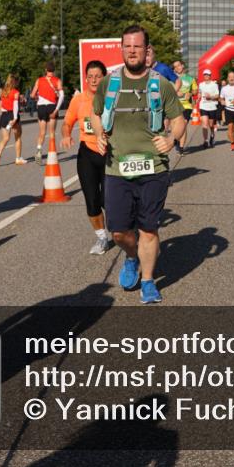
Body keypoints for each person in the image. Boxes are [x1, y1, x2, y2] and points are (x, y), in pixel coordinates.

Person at [92, 27, 186, 304]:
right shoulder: (109, 84)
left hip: (154, 168)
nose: (132, 51)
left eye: (138, 47)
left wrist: (171, 140)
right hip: (116, 169)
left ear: (147, 50)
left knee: (148, 228)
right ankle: (131, 257)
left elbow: (179, 120)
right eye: (127, 46)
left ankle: (147, 282)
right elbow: (96, 114)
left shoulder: (161, 84)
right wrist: (99, 134)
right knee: (119, 232)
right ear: (121, 49)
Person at [61, 60, 110, 255]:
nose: (93, 80)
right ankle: (102, 238)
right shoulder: (78, 100)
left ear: (104, 77)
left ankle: (125, 228)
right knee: (92, 201)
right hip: (87, 154)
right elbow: (67, 123)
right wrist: (66, 134)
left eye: (98, 76)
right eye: (90, 76)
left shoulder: (111, 98)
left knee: (109, 201)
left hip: (109, 154)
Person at [30, 62, 64, 165]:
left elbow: (32, 95)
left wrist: (38, 98)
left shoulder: (39, 80)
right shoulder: (57, 81)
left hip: (41, 107)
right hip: (52, 106)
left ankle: (39, 151)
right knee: (52, 133)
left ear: (46, 70)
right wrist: (56, 109)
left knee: (42, 133)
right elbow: (62, 96)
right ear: (54, 70)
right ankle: (52, 155)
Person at [0, 74, 26, 166]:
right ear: (15, 82)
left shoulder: (3, 91)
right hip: (12, 115)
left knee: (5, 138)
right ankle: (18, 158)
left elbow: (0, 104)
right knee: (18, 137)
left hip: (4, 115)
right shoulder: (16, 92)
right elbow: (15, 107)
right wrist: (15, 118)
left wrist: (2, 114)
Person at [172, 60, 197, 154]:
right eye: (175, 67)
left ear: (182, 66)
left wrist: (190, 93)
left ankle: (181, 148)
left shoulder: (190, 79)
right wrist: (175, 92)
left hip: (186, 105)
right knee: (175, 126)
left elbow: (195, 90)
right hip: (174, 104)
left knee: (183, 124)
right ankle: (177, 140)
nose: (177, 68)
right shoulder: (172, 78)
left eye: (178, 65)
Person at [220, 71, 234, 151]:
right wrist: (222, 101)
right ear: (227, 78)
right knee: (230, 127)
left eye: (233, 77)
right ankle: (232, 143)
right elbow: (221, 98)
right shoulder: (224, 88)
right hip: (228, 109)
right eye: (229, 77)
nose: (231, 78)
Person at [197, 69, 220, 148]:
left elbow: (217, 96)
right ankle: (205, 141)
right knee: (204, 124)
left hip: (212, 106)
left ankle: (212, 135)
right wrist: (198, 97)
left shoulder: (214, 84)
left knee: (211, 125)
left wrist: (210, 97)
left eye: (208, 75)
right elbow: (199, 92)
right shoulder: (201, 84)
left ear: (210, 76)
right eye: (205, 75)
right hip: (203, 106)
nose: (206, 76)